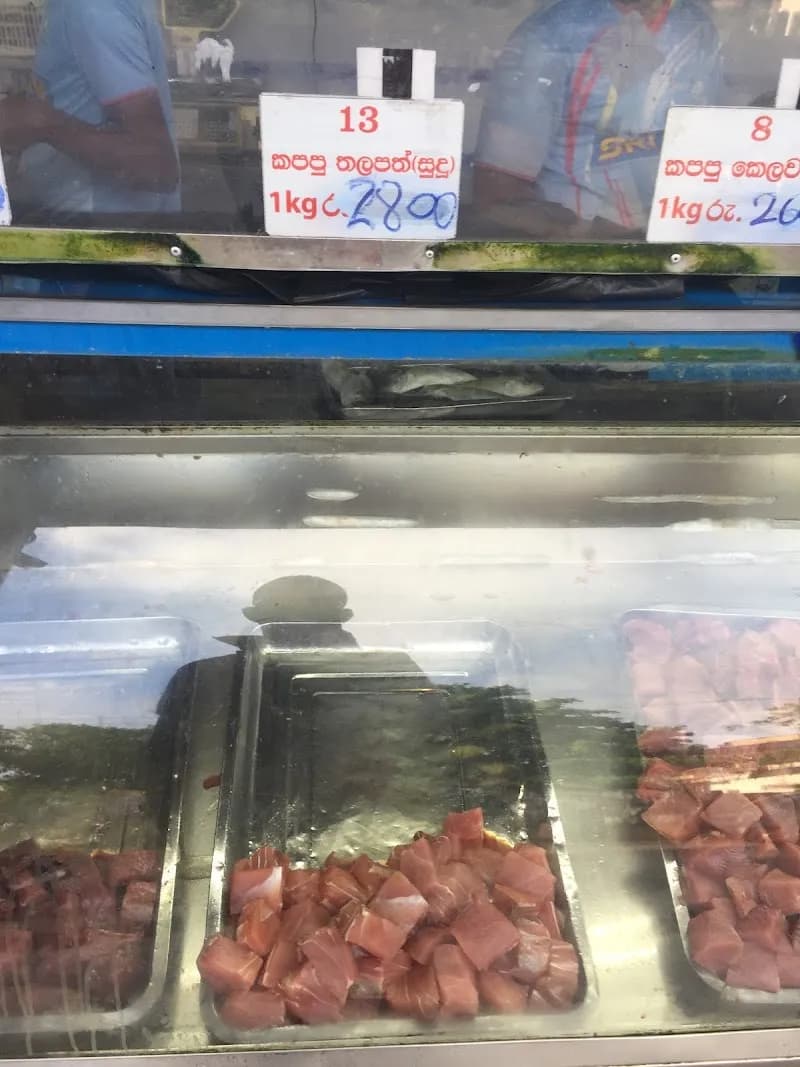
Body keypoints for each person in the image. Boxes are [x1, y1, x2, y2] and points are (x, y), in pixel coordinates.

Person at [474, 0, 723, 237]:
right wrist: (581, 236)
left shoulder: (695, 28)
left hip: (670, 245)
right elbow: (499, 192)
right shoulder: (555, 33)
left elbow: (711, 156)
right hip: (577, 255)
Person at [0, 0, 180, 217]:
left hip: (103, 233)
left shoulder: (92, 9)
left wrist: (44, 124)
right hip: (66, 217)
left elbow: (155, 166)